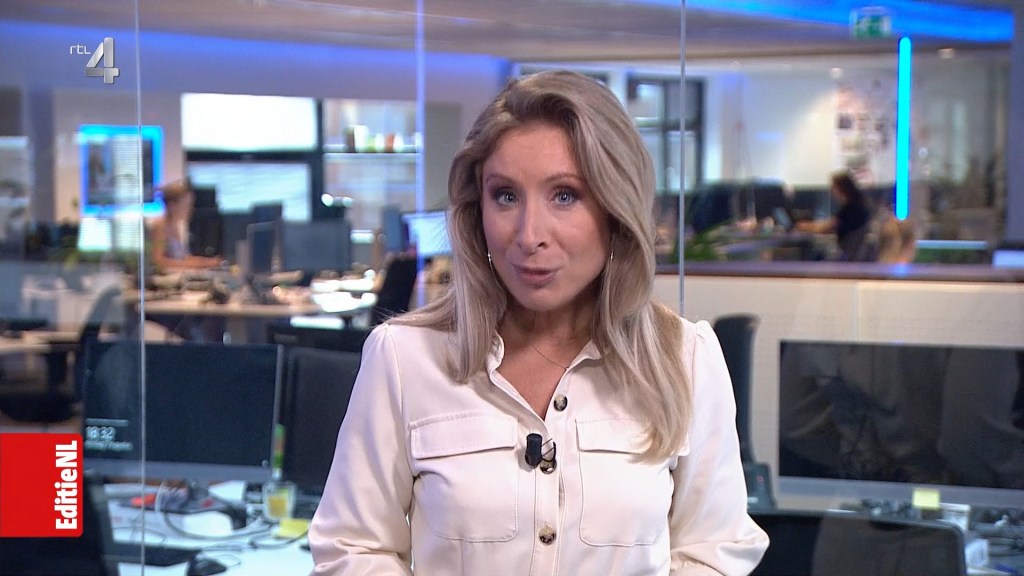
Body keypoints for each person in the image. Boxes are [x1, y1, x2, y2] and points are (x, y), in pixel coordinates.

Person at [308, 70, 768, 575]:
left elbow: (714, 550)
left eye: (564, 195)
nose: (529, 235)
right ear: (476, 209)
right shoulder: (404, 357)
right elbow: (352, 548)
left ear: (616, 209)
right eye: (505, 196)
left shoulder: (686, 357)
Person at [795, 171, 874, 261]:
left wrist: (805, 227)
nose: (832, 190)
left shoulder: (851, 209)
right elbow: (832, 223)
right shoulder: (856, 206)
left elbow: (828, 227)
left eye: (833, 187)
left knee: (815, 258)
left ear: (841, 188)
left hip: (845, 255)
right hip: (848, 253)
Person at [149, 179, 221, 270]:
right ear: (172, 206)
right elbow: (159, 261)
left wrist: (206, 262)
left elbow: (182, 258)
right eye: (186, 205)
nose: (190, 209)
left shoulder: (178, 226)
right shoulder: (160, 226)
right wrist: (202, 264)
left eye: (190, 205)